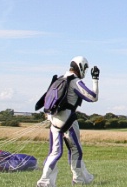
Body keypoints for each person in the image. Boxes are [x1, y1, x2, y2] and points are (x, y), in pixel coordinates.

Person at [36, 56, 99, 186]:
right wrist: (95, 80)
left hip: (54, 120)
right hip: (68, 121)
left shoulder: (59, 79)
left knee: (54, 152)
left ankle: (44, 182)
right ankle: (78, 180)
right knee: (76, 150)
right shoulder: (75, 82)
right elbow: (93, 97)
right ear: (80, 67)